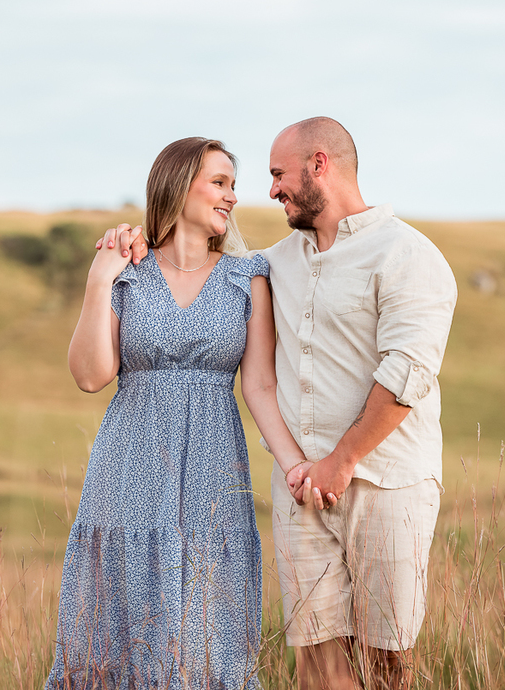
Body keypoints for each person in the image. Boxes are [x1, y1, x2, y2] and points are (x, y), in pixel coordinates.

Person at [117, 117, 457, 690]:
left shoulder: (407, 255)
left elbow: (408, 374)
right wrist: (133, 242)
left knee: (387, 657)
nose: (271, 190)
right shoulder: (275, 262)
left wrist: (341, 461)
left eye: (279, 175)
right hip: (301, 492)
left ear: (319, 165)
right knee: (317, 658)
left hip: (387, 483)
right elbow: (196, 253)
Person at [46, 137, 312, 690]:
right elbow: (91, 375)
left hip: (213, 477)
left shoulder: (248, 277)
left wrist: (294, 465)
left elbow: (260, 385)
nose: (232, 197)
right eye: (220, 183)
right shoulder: (128, 273)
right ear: (178, 184)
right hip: (127, 475)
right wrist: (100, 280)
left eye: (234, 186)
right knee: (117, 636)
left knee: (205, 642)